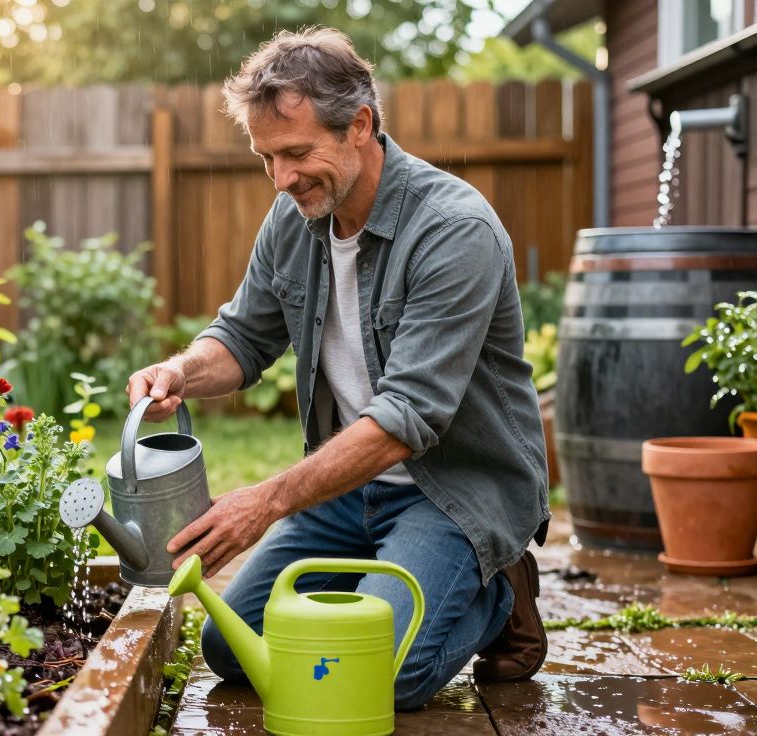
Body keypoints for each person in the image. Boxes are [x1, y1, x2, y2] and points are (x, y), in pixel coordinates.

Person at [126, 26, 549, 710]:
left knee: (373, 676)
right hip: (348, 489)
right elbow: (243, 337)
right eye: (267, 157)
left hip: (453, 491)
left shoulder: (452, 229)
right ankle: (386, 583)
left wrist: (266, 502)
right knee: (232, 648)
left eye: (297, 153)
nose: (281, 178)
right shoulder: (294, 216)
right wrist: (181, 371)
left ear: (359, 125)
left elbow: (406, 419)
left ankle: (499, 590)